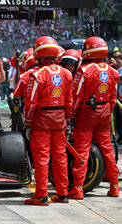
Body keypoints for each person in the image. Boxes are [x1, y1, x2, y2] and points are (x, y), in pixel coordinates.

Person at [24, 36, 73, 206]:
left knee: (42, 158)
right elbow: (69, 101)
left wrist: (28, 122)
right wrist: (67, 119)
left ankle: (41, 195)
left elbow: (31, 102)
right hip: (60, 119)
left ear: (38, 53)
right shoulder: (66, 73)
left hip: (42, 120)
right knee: (60, 157)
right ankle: (63, 193)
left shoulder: (36, 74)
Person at [70, 36, 120, 199]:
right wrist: (107, 111)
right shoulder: (112, 71)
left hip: (86, 113)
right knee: (107, 149)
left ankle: (78, 187)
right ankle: (114, 186)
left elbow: (76, 96)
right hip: (105, 112)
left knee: (82, 149)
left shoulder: (83, 71)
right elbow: (113, 97)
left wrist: (71, 114)